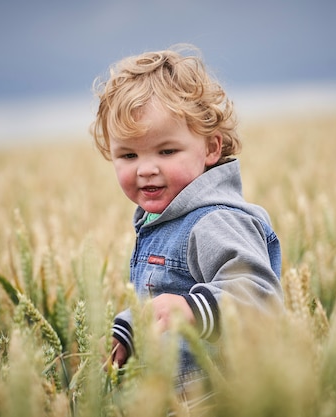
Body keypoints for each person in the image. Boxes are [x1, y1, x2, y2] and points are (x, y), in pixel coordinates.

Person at [91, 44, 284, 411]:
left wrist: (193, 309)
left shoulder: (214, 220)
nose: (146, 168)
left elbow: (261, 298)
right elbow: (164, 300)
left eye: (166, 151)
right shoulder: (164, 220)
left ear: (211, 148)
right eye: (129, 155)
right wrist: (131, 330)